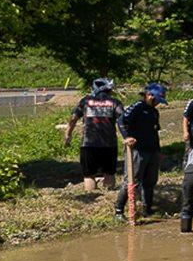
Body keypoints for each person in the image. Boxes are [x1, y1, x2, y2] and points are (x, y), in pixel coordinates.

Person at [64, 78, 124, 192]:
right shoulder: (115, 102)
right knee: (109, 173)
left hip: (88, 143)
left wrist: (68, 134)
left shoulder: (85, 101)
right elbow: (123, 119)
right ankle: (109, 195)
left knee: (89, 175)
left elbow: (73, 118)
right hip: (109, 144)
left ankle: (90, 195)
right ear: (109, 90)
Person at [117, 82, 166, 221]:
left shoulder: (154, 112)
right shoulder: (138, 106)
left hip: (151, 150)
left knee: (150, 181)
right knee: (132, 181)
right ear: (149, 95)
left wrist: (158, 151)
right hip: (137, 150)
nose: (158, 103)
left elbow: (155, 133)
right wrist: (127, 137)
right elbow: (121, 121)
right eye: (157, 100)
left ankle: (147, 209)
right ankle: (119, 211)